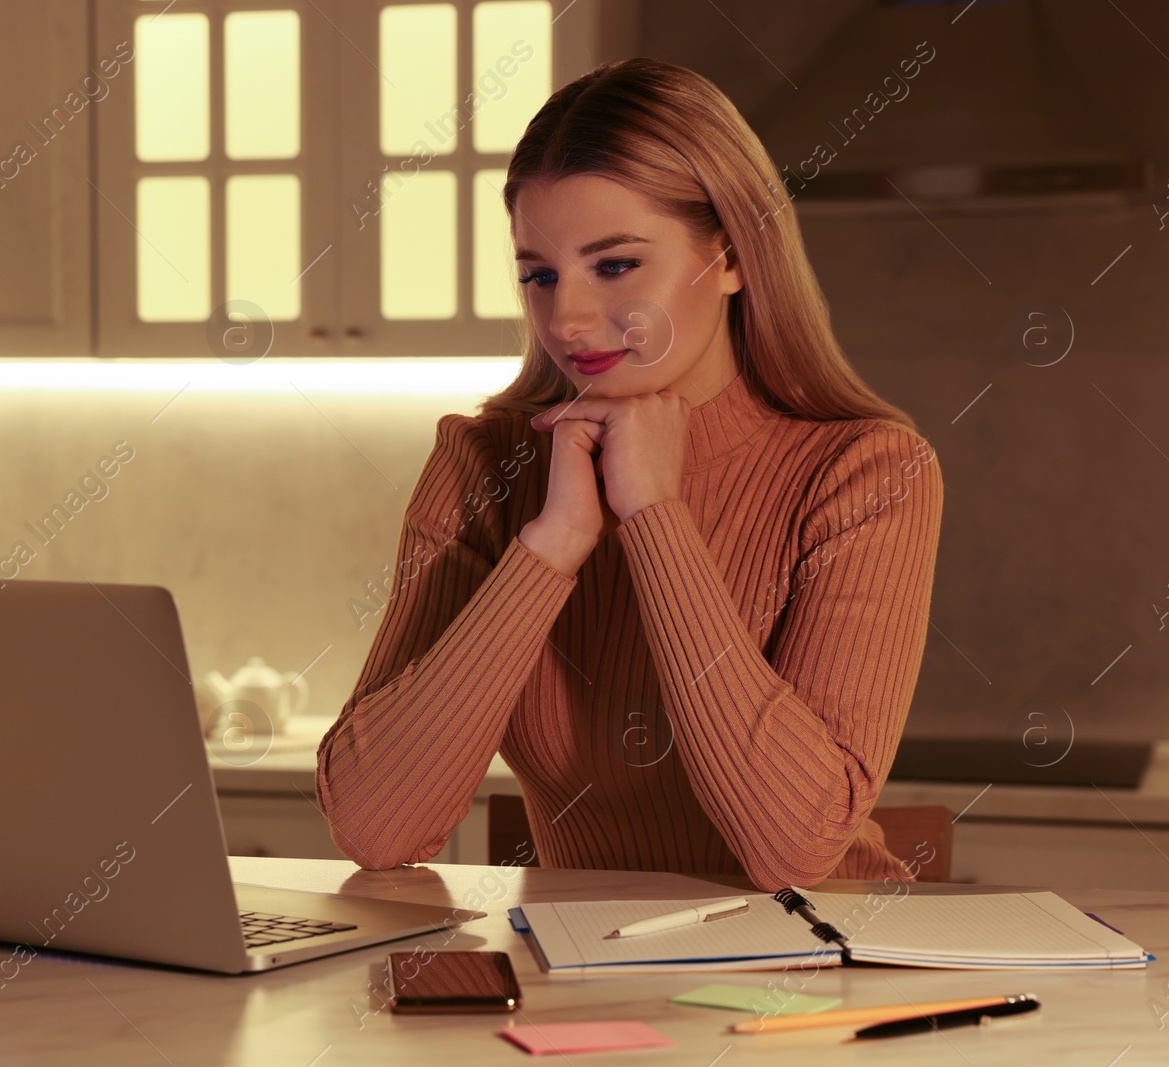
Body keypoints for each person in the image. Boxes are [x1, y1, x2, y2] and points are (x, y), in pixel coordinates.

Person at [315, 58, 944, 891]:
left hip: (820, 983)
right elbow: (376, 828)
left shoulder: (868, 472)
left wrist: (654, 514)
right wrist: (553, 544)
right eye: (539, 273)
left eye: (615, 266)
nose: (566, 319)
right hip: (590, 982)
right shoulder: (484, 466)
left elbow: (791, 851)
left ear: (730, 257)